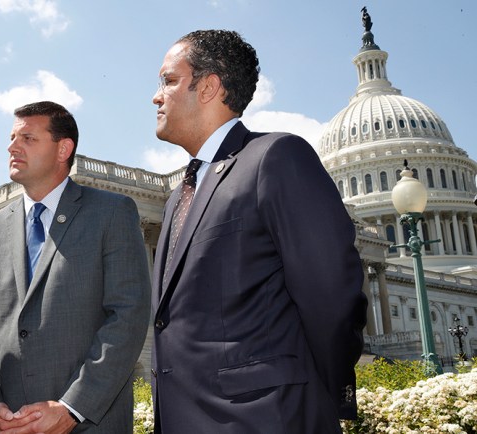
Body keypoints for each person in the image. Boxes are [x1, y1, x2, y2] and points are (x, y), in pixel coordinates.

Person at [150, 30, 368, 433]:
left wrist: (310, 388)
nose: (156, 96)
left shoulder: (275, 157)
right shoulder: (179, 197)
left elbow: (332, 293)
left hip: (266, 417)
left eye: (168, 80)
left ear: (209, 87)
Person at [0, 101, 150, 433]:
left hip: (91, 424)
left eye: (28, 138)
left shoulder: (111, 213)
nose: (11, 146)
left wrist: (72, 408)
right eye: (12, 137)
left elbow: (127, 316)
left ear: (63, 149)